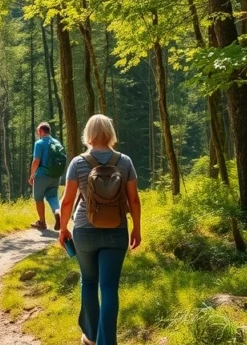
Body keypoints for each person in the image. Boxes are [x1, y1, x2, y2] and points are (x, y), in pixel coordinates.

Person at [58, 114, 142, 345]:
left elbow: (66, 201)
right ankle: (107, 342)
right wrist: (136, 228)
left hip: (85, 230)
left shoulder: (78, 162)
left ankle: (92, 337)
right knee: (109, 287)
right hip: (117, 230)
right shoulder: (124, 161)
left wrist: (63, 228)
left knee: (89, 281)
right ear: (110, 133)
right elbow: (134, 200)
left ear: (88, 133)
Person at [29, 121, 62, 230]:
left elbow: (36, 160)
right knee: (52, 196)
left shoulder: (39, 143)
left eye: (38, 131)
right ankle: (57, 212)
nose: (38, 133)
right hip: (56, 175)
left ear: (41, 131)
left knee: (38, 198)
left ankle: (42, 222)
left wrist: (32, 175)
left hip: (42, 175)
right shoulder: (57, 143)